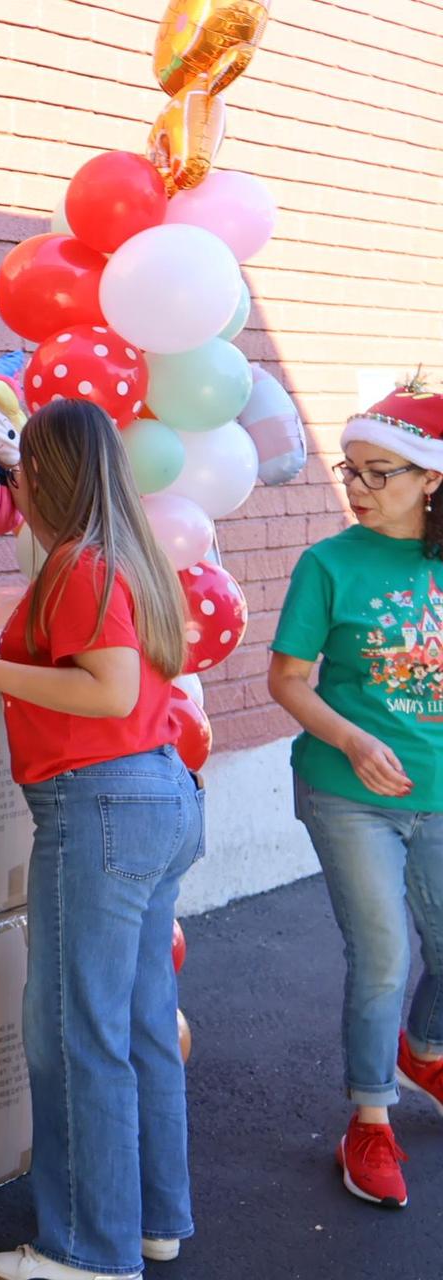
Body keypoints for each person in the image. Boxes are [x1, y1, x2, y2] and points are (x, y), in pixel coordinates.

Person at [0, 399, 202, 1280]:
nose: (11, 484)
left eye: (18, 469)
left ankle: (90, 1250)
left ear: (50, 474)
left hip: (100, 805)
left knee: (75, 1032)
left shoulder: (80, 565)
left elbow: (109, 690)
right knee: (142, 1021)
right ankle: (152, 1221)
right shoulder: (129, 556)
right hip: (156, 796)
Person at [269, 383, 443, 1210]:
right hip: (348, 792)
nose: (359, 487)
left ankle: (426, 1050)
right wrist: (353, 738)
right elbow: (289, 681)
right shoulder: (328, 564)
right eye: (353, 470)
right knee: (383, 957)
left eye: (380, 473)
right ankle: (370, 1120)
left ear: (431, 479)